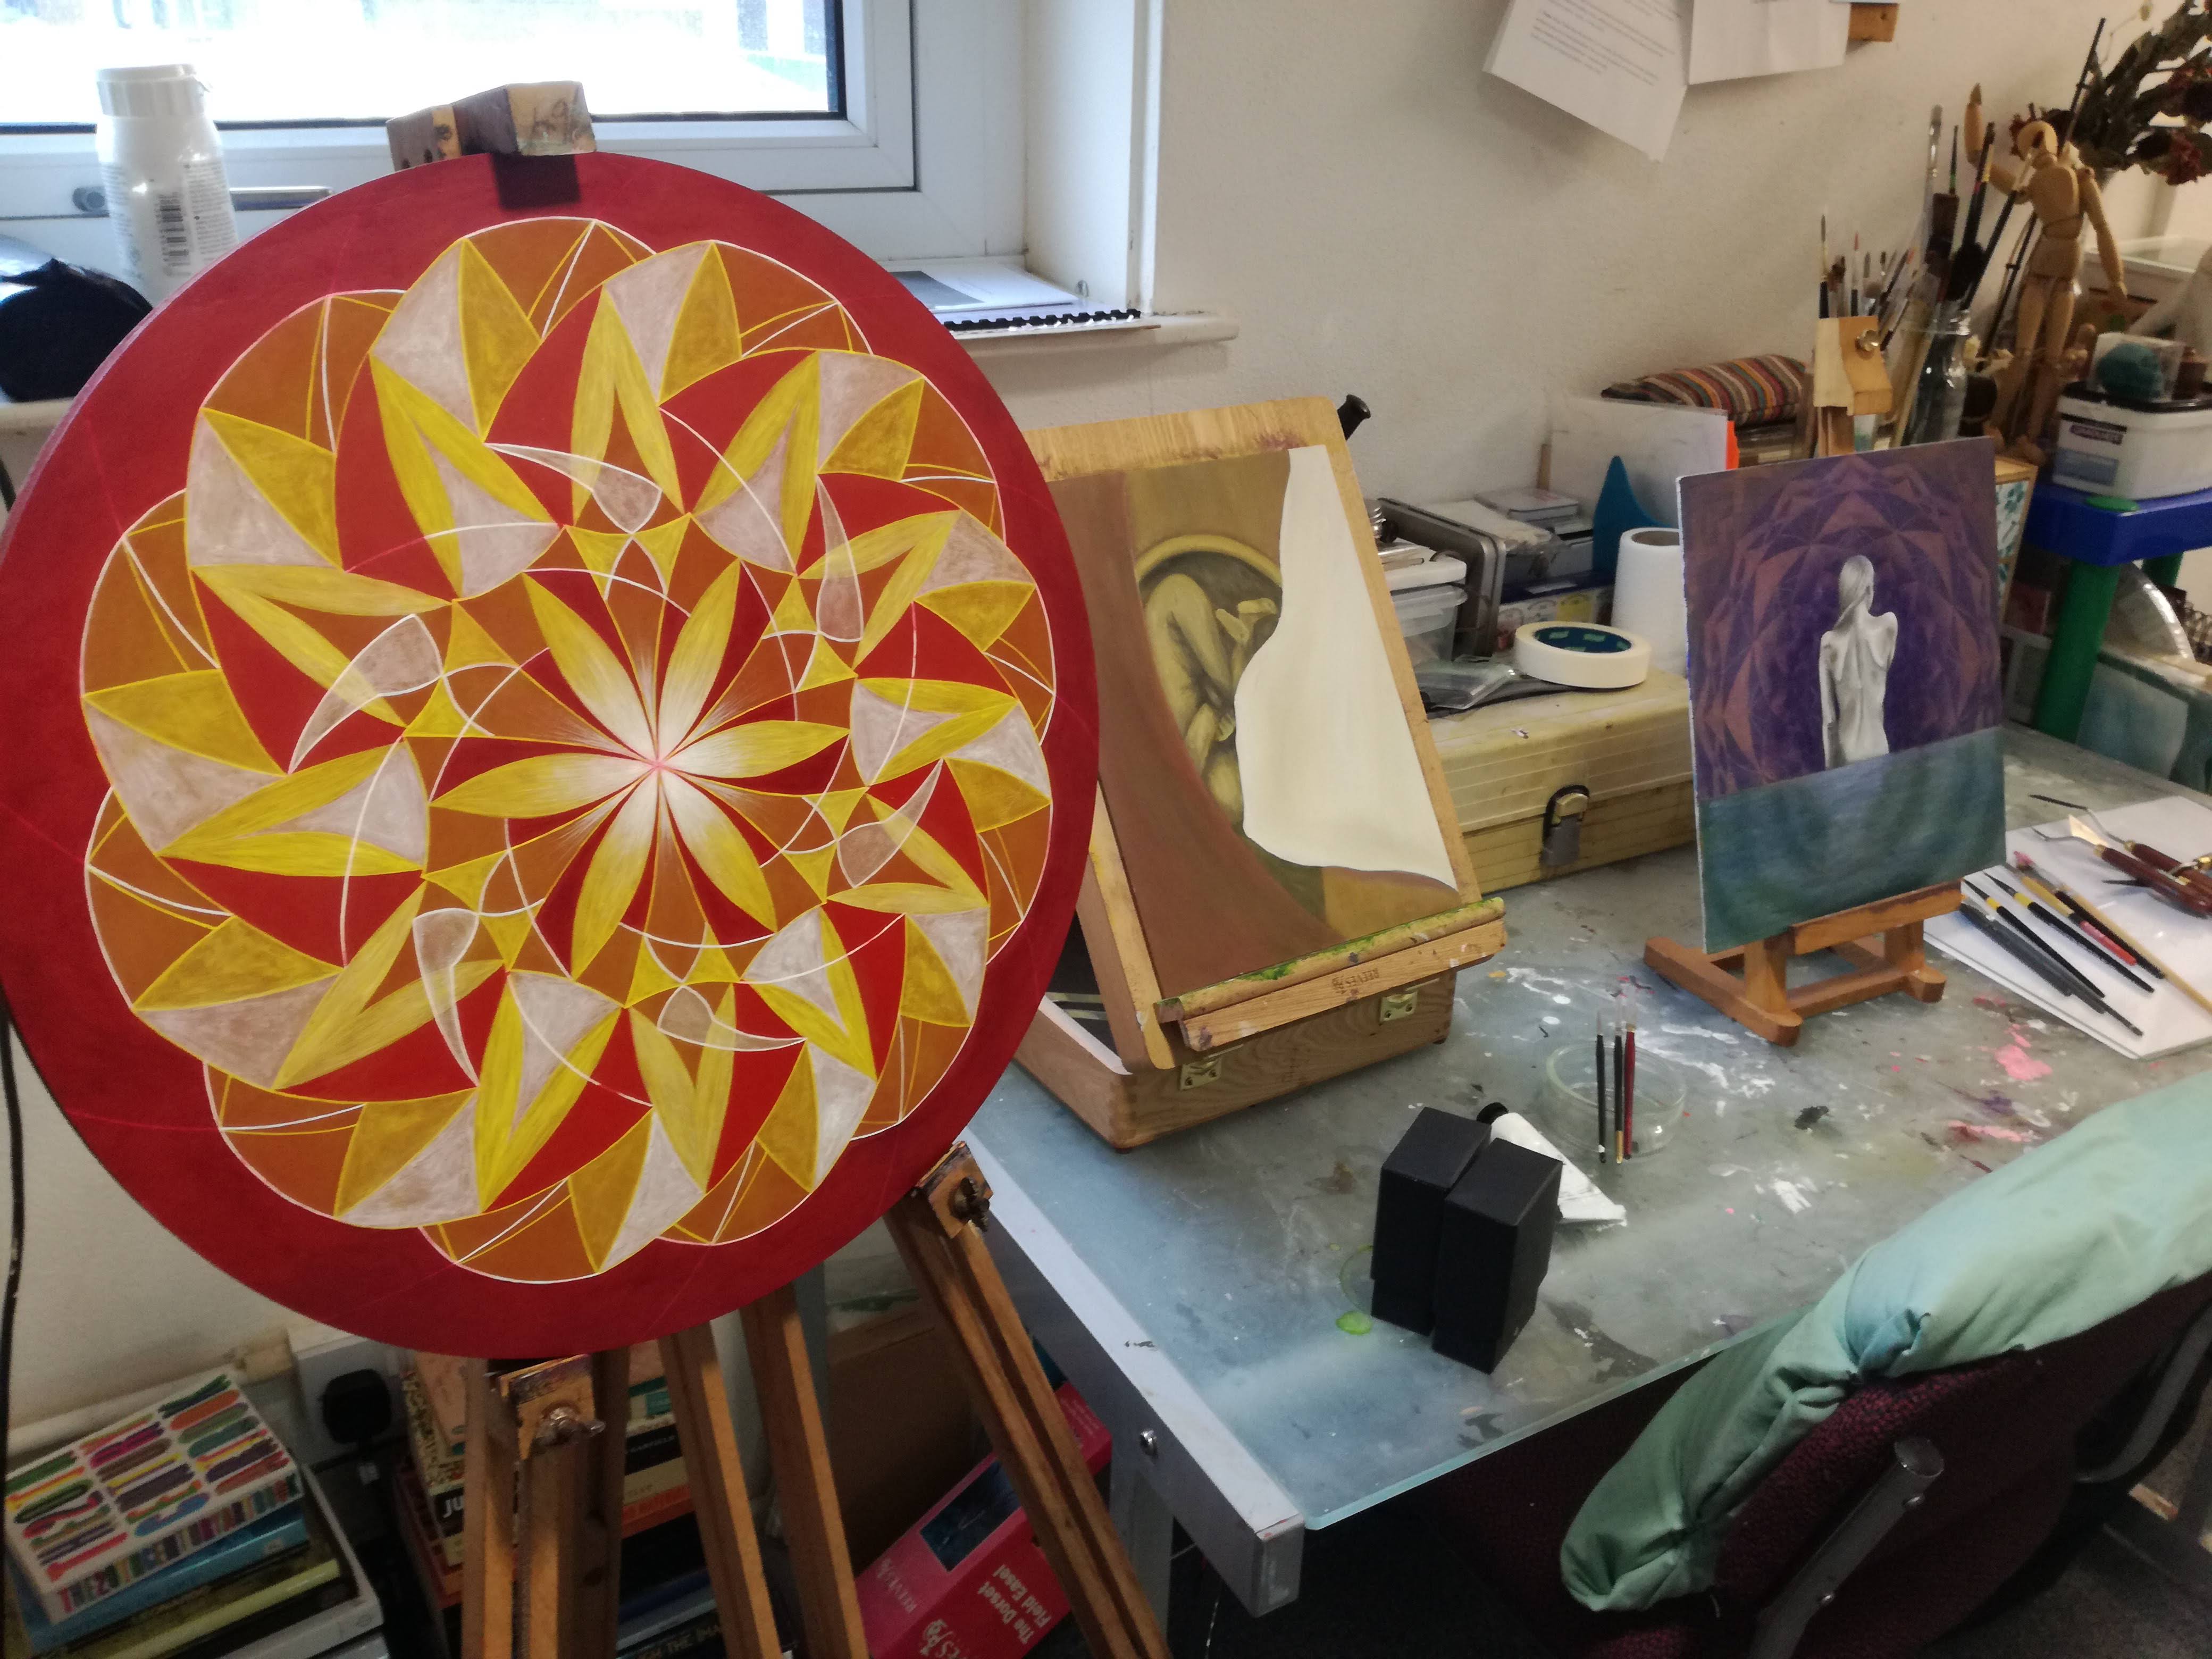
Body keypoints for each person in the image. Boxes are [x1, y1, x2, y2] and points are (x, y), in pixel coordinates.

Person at [1819, 555, 1896, 767]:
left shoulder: (1829, 643)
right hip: (1880, 748)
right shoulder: (1889, 626)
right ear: (1869, 589)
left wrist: (1830, 772)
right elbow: (1885, 667)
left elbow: (1829, 722)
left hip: (1848, 755)